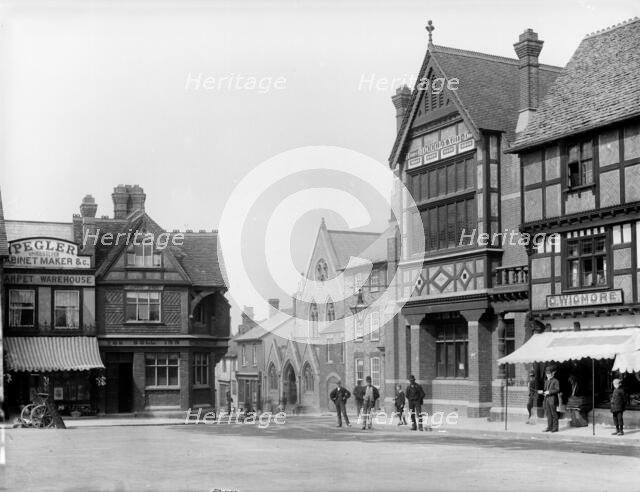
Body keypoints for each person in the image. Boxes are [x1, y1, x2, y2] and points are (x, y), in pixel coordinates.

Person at [539, 365, 559, 433]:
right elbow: (545, 390)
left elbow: (557, 389)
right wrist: (542, 392)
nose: (547, 375)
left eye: (549, 374)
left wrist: (549, 392)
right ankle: (549, 427)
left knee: (554, 414)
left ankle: (555, 428)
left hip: (552, 399)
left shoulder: (555, 381)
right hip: (546, 399)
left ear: (552, 373)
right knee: (548, 414)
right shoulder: (546, 381)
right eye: (547, 374)